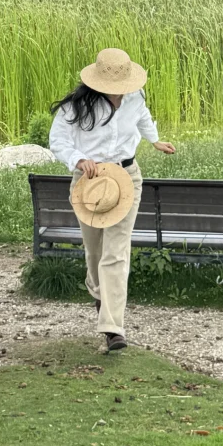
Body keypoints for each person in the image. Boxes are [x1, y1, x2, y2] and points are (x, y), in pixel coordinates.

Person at [49, 47, 175, 352]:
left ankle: (113, 327)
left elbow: (143, 118)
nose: (119, 91)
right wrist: (79, 160)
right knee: (95, 252)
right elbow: (58, 140)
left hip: (126, 179)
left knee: (116, 252)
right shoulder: (76, 106)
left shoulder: (135, 97)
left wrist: (155, 140)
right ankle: (99, 294)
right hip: (90, 184)